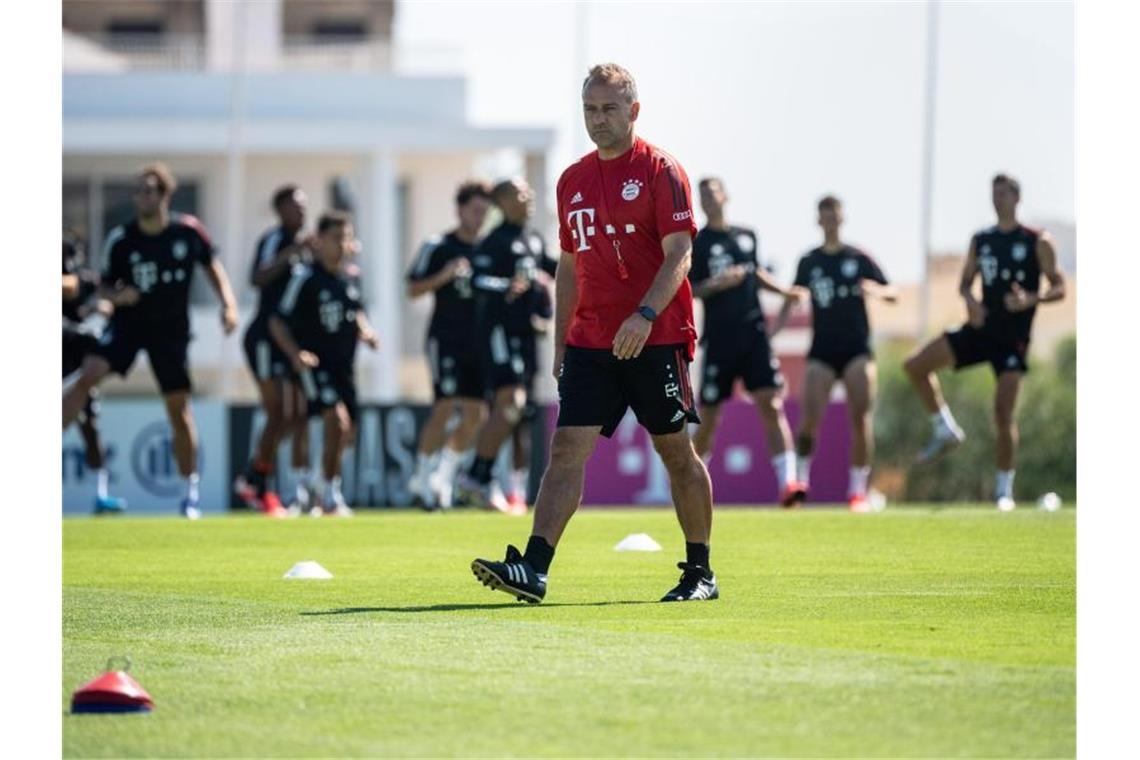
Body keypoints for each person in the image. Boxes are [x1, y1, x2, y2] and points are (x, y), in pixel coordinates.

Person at [470, 63, 716, 603]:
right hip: (590, 342)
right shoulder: (571, 180)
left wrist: (645, 315)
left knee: (676, 453)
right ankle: (533, 569)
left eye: (608, 109)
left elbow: (681, 253)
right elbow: (567, 267)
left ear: (633, 110)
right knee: (565, 450)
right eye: (589, 109)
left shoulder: (660, 169)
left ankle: (700, 573)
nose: (597, 119)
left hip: (655, 337)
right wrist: (561, 339)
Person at [62, 163, 239, 519]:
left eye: (148, 190)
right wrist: (117, 298)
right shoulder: (122, 239)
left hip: (170, 332)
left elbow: (212, 267)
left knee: (178, 410)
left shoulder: (188, 232)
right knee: (90, 372)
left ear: (164, 195)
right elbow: (104, 285)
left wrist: (229, 304)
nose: (140, 196)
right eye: (137, 190)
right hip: (130, 328)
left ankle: (189, 494)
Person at [904, 174, 1066, 511]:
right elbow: (965, 283)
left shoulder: (1038, 240)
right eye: (994, 194)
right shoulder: (982, 240)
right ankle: (944, 428)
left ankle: (1003, 491)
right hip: (980, 329)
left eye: (1004, 194)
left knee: (1002, 412)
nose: (998, 200)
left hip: (1013, 340)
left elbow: (1059, 287)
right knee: (915, 366)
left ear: (1017, 198)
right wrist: (971, 302)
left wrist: (1031, 299)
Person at [771, 195, 897, 512]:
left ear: (842, 218)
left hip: (857, 349)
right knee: (810, 419)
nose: (829, 220)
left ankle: (858, 491)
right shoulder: (809, 261)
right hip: (823, 350)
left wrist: (877, 291)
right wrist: (774, 332)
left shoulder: (859, 257)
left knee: (860, 416)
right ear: (818, 220)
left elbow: (892, 291)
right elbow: (792, 297)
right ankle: (799, 482)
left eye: (834, 214)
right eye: (824, 215)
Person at [688, 177, 806, 506]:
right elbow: (689, 288)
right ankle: (691, 486)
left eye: (712, 194)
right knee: (709, 417)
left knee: (771, 403)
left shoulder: (747, 235)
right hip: (720, 340)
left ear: (725, 196)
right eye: (703, 196)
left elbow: (755, 274)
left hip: (753, 336)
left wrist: (785, 291)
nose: (708, 200)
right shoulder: (697, 243)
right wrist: (717, 283)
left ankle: (788, 483)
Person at [453, 177, 556, 512]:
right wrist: (505, 287)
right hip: (499, 334)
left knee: (520, 412)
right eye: (519, 193)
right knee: (511, 401)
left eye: (529, 191)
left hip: (528, 339)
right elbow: (476, 281)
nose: (528, 196)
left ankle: (485, 480)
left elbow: (555, 274)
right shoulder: (493, 242)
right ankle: (474, 477)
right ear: (502, 201)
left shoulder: (535, 239)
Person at [270, 211, 379, 517]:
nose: (342, 245)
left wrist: (366, 331)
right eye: (336, 238)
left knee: (347, 432)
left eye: (347, 238)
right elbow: (278, 322)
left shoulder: (350, 277)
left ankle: (320, 487)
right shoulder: (304, 278)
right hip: (315, 367)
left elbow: (356, 312)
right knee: (334, 422)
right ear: (319, 242)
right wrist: (296, 354)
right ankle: (325, 495)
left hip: (344, 367)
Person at [405, 180, 493, 510]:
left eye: (485, 212)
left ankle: (444, 474)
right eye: (475, 210)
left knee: (476, 415)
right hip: (445, 340)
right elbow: (412, 288)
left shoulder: (489, 247)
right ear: (459, 210)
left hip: (479, 343)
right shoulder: (438, 245)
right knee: (444, 407)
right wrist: (444, 275)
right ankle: (422, 477)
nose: (480, 217)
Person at [234, 185, 314, 518]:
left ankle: (256, 476)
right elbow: (257, 277)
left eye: (304, 206)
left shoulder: (308, 245)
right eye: (294, 207)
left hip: (290, 341)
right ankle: (259, 484)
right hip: (266, 337)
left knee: (295, 415)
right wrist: (290, 252)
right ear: (280, 210)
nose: (301, 212)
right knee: (278, 412)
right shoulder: (276, 240)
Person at [62, 232, 127, 515]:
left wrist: (101, 307)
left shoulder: (88, 279)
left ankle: (100, 494)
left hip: (78, 369)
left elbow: (106, 298)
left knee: (91, 428)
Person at [503, 249, 554, 513]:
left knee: (520, 424)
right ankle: (488, 479)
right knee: (506, 412)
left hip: (529, 360)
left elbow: (547, 323)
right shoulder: (500, 282)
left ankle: (517, 491)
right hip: (501, 355)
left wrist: (536, 324)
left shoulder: (541, 286)